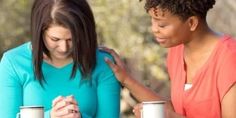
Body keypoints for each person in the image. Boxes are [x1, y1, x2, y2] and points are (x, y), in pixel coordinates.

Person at [101, 0, 236, 118]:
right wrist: (125, 79)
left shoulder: (230, 58)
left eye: (162, 25)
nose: (154, 29)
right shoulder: (176, 51)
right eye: (152, 21)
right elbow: (174, 110)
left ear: (191, 23)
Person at [0, 0, 121, 118]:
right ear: (40, 32)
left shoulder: (103, 62)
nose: (64, 48)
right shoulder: (13, 63)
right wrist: (50, 116)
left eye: (71, 39)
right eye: (55, 39)